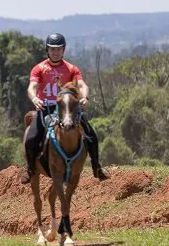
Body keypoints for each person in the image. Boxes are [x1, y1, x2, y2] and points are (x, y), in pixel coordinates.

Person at [21, 33, 111, 184]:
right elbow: (32, 86)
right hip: (46, 108)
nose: (55, 52)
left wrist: (84, 97)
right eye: (52, 49)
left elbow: (82, 85)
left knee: (91, 135)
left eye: (59, 49)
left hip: (68, 109)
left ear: (63, 50)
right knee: (31, 138)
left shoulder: (71, 69)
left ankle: (97, 167)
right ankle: (30, 169)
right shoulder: (39, 68)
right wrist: (35, 98)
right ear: (47, 50)